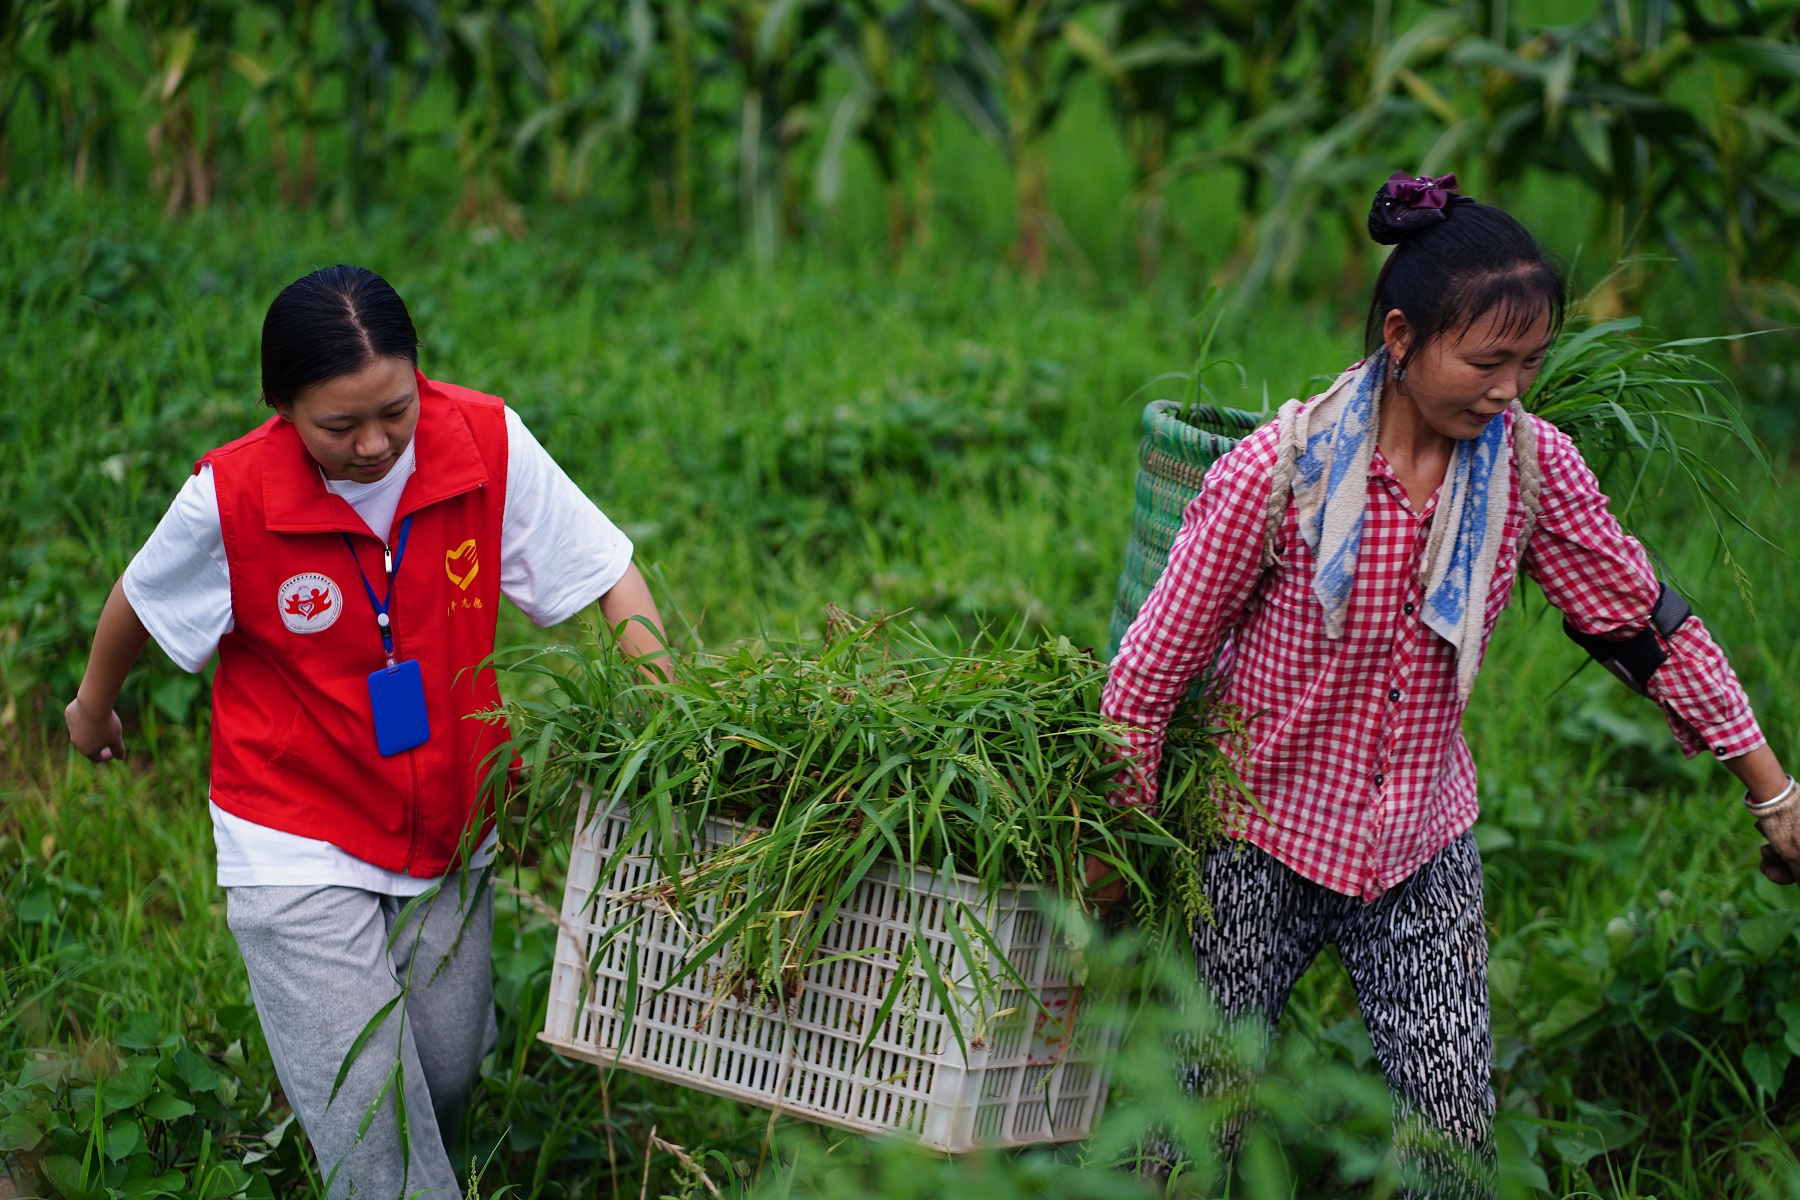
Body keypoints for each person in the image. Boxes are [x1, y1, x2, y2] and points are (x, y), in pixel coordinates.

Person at [1095, 173, 1795, 1196]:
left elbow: (1642, 625)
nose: (1511, 388)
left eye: (1531, 361)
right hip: (1250, 834)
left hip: (1419, 844)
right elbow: (1147, 676)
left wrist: (1774, 795)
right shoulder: (1275, 476)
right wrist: (1117, 855)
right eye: (1488, 360)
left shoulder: (1531, 471)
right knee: (1195, 1131)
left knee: (1452, 1133)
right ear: (1400, 338)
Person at [64, 265, 667, 1197]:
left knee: (447, 1070)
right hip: (294, 829)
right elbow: (139, 600)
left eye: (395, 410)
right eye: (339, 427)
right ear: (280, 407)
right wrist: (92, 706)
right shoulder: (230, 496)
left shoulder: (484, 440)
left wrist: (672, 715)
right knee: (379, 1131)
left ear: (419, 378)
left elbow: (604, 571)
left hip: (450, 825)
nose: (376, 443)